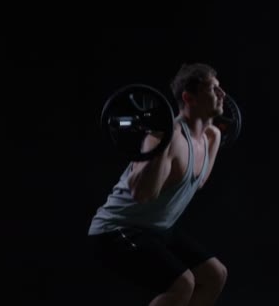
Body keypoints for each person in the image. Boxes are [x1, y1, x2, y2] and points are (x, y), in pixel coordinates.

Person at [87, 63, 228, 306]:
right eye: (213, 89)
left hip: (156, 229)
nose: (222, 94)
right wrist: (161, 144)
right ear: (188, 98)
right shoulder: (161, 137)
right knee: (182, 284)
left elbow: (197, 182)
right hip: (116, 230)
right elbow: (142, 194)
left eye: (220, 88)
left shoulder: (211, 137)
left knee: (215, 275)